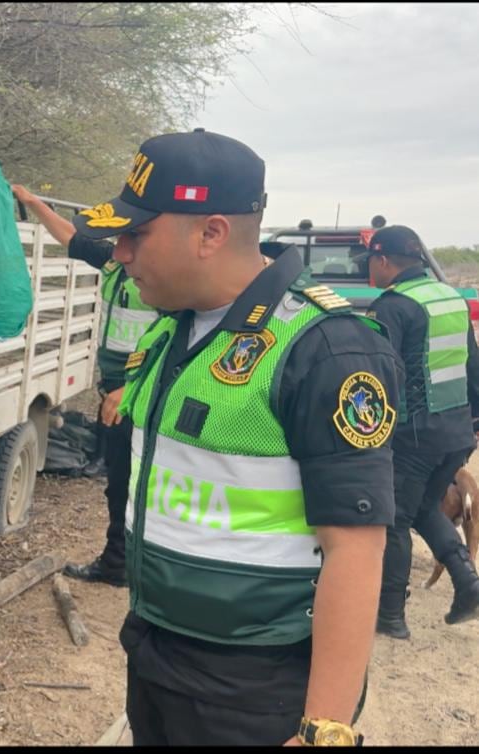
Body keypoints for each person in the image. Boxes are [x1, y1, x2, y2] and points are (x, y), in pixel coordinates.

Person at [76, 128, 401, 745]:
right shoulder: (174, 330)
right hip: (156, 650)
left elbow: (356, 549)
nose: (120, 253)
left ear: (211, 233)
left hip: (254, 687)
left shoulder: (325, 348)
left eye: (135, 234)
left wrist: (323, 730)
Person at [11, 185, 159, 588]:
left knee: (133, 483)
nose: (121, 246)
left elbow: (176, 336)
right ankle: (121, 564)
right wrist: (34, 203)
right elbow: (68, 236)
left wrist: (133, 386)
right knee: (119, 480)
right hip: (114, 389)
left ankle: (123, 567)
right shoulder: (113, 263)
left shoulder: (162, 279)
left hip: (137, 392)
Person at [357, 225, 479, 639]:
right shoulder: (450, 298)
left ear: (385, 261)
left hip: (414, 435)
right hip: (455, 431)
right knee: (423, 509)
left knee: (393, 520)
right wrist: (472, 426)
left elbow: (377, 373)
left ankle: (390, 616)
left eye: (371, 263)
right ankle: (469, 584)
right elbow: (472, 367)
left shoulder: (394, 306)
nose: (370, 271)